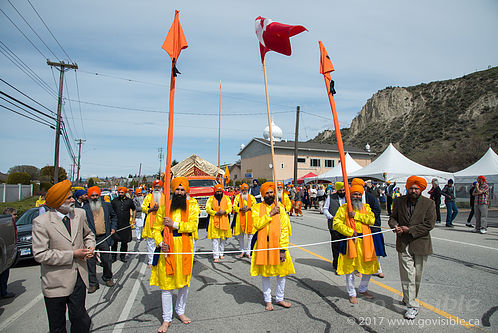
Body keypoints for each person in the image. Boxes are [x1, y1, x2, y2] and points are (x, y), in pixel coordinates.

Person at [32, 180, 95, 333]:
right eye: (69, 198)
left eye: (72, 197)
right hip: (56, 282)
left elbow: (88, 234)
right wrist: (73, 254)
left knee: (80, 319)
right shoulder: (41, 222)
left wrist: (90, 246)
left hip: (79, 278)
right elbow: (41, 254)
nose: (73, 200)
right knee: (57, 325)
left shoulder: (79, 214)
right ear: (58, 202)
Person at [150, 177, 199, 333]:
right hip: (168, 249)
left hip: (184, 247)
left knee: (184, 283)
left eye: (181, 189)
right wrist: (160, 243)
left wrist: (174, 224)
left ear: (186, 191)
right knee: (167, 285)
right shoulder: (165, 207)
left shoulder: (192, 206)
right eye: (176, 189)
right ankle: (166, 319)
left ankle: (180, 311)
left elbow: (193, 226)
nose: (179, 192)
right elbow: (156, 230)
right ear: (172, 190)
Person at [388, 176, 436, 319]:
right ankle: (412, 306)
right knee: (408, 274)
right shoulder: (399, 201)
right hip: (403, 243)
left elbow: (429, 224)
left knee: (417, 276)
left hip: (421, 243)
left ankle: (408, 297)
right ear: (407, 188)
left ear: (421, 189)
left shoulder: (429, 203)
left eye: (416, 188)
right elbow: (392, 218)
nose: (413, 190)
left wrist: (409, 230)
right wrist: (395, 226)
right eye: (411, 188)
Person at [333, 182, 379, 304]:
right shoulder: (344, 208)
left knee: (368, 268)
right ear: (350, 195)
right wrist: (349, 231)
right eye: (354, 194)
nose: (357, 196)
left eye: (359, 194)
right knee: (350, 270)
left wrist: (356, 215)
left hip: (366, 242)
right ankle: (352, 293)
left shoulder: (366, 208)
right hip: (351, 242)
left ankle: (363, 289)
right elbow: (336, 224)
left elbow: (372, 220)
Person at [251, 182, 294, 311]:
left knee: (281, 274)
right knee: (266, 275)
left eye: (271, 192)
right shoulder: (257, 208)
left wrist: (282, 249)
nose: (270, 195)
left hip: (278, 245)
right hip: (264, 245)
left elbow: (284, 229)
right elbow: (257, 225)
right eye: (267, 193)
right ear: (263, 195)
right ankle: (268, 300)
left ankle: (280, 298)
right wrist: (270, 215)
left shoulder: (280, 208)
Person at [83, 186, 117, 293]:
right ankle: (93, 283)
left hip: (104, 237)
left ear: (99, 195)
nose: (94, 197)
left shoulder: (106, 206)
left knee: (107, 259)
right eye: (92, 195)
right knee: (90, 261)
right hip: (90, 239)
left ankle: (107, 277)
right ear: (89, 196)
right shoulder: (84, 209)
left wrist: (113, 228)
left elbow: (114, 217)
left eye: (96, 195)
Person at [351, 178, 387, 279]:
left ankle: (378, 269)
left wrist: (365, 219)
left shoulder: (371, 197)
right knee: (358, 250)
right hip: (357, 229)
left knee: (376, 249)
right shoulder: (350, 199)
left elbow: (376, 211)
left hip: (372, 227)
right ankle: (358, 269)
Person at [323, 182, 346, 274]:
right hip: (334, 225)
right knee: (336, 245)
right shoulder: (331, 197)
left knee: (344, 245)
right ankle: (337, 264)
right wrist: (330, 216)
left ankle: (344, 264)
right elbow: (325, 209)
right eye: (340, 190)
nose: (342, 192)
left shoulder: (348, 198)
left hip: (345, 226)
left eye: (343, 190)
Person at [206, 184, 233, 262]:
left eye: (220, 191)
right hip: (214, 220)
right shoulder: (210, 199)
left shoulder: (227, 198)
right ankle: (216, 256)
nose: (219, 193)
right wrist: (215, 212)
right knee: (215, 239)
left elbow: (230, 208)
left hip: (224, 220)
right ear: (215, 191)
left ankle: (221, 253)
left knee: (223, 239)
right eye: (217, 191)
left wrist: (225, 211)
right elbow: (207, 209)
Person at [111, 187, 136, 263]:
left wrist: (133, 219)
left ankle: (122, 256)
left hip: (125, 224)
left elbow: (134, 209)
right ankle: (113, 257)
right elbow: (111, 211)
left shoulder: (129, 201)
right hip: (116, 224)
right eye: (119, 192)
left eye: (122, 192)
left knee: (124, 242)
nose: (120, 194)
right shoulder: (114, 201)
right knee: (114, 242)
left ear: (125, 193)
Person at [143, 180, 165, 268]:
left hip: (161, 223)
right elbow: (144, 207)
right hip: (150, 222)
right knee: (150, 243)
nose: (157, 188)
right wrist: (151, 209)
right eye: (155, 187)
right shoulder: (148, 197)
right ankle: (151, 261)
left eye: (158, 187)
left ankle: (161, 260)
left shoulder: (164, 197)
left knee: (161, 242)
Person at [232, 183, 257, 259]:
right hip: (240, 218)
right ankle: (242, 251)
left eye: (246, 190)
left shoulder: (252, 197)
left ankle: (248, 252)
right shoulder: (237, 197)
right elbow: (233, 206)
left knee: (250, 236)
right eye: (243, 190)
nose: (244, 191)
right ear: (241, 190)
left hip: (250, 218)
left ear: (248, 190)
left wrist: (249, 208)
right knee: (241, 236)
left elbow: (255, 206)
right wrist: (240, 209)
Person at [1, 207, 17, 299]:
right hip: (5, 253)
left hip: (8, 251)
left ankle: (3, 290)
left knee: (5, 273)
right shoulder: (6, 226)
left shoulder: (11, 224)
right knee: (4, 273)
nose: (16, 216)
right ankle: (3, 292)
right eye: (14, 214)